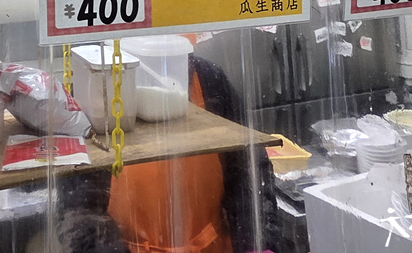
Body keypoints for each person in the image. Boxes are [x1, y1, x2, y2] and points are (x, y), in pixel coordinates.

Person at [56, 53, 280, 253]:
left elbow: (248, 173)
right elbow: (79, 211)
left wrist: (258, 243)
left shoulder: (208, 79)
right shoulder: (92, 88)